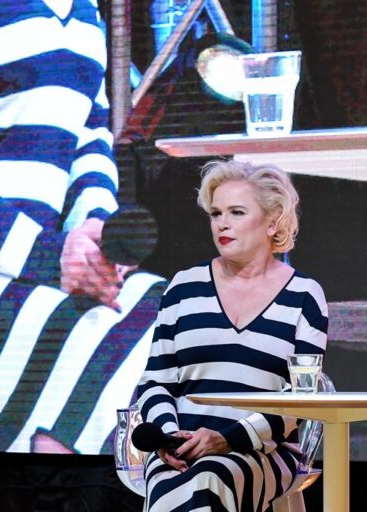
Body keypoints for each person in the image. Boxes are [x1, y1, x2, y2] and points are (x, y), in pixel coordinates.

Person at [0, 0, 165, 453]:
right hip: (12, 264)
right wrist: (47, 256)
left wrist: (96, 233)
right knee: (96, 334)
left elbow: (90, 138)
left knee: (177, 317)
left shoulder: (86, 12)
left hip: (42, 265)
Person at [136, 160, 328, 511]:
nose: (222, 223)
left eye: (236, 212)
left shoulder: (304, 295)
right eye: (216, 213)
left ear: (273, 221)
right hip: (181, 446)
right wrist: (167, 436)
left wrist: (228, 439)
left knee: (212, 475)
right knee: (185, 478)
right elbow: (155, 382)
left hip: (263, 447)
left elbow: (303, 395)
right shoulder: (183, 287)